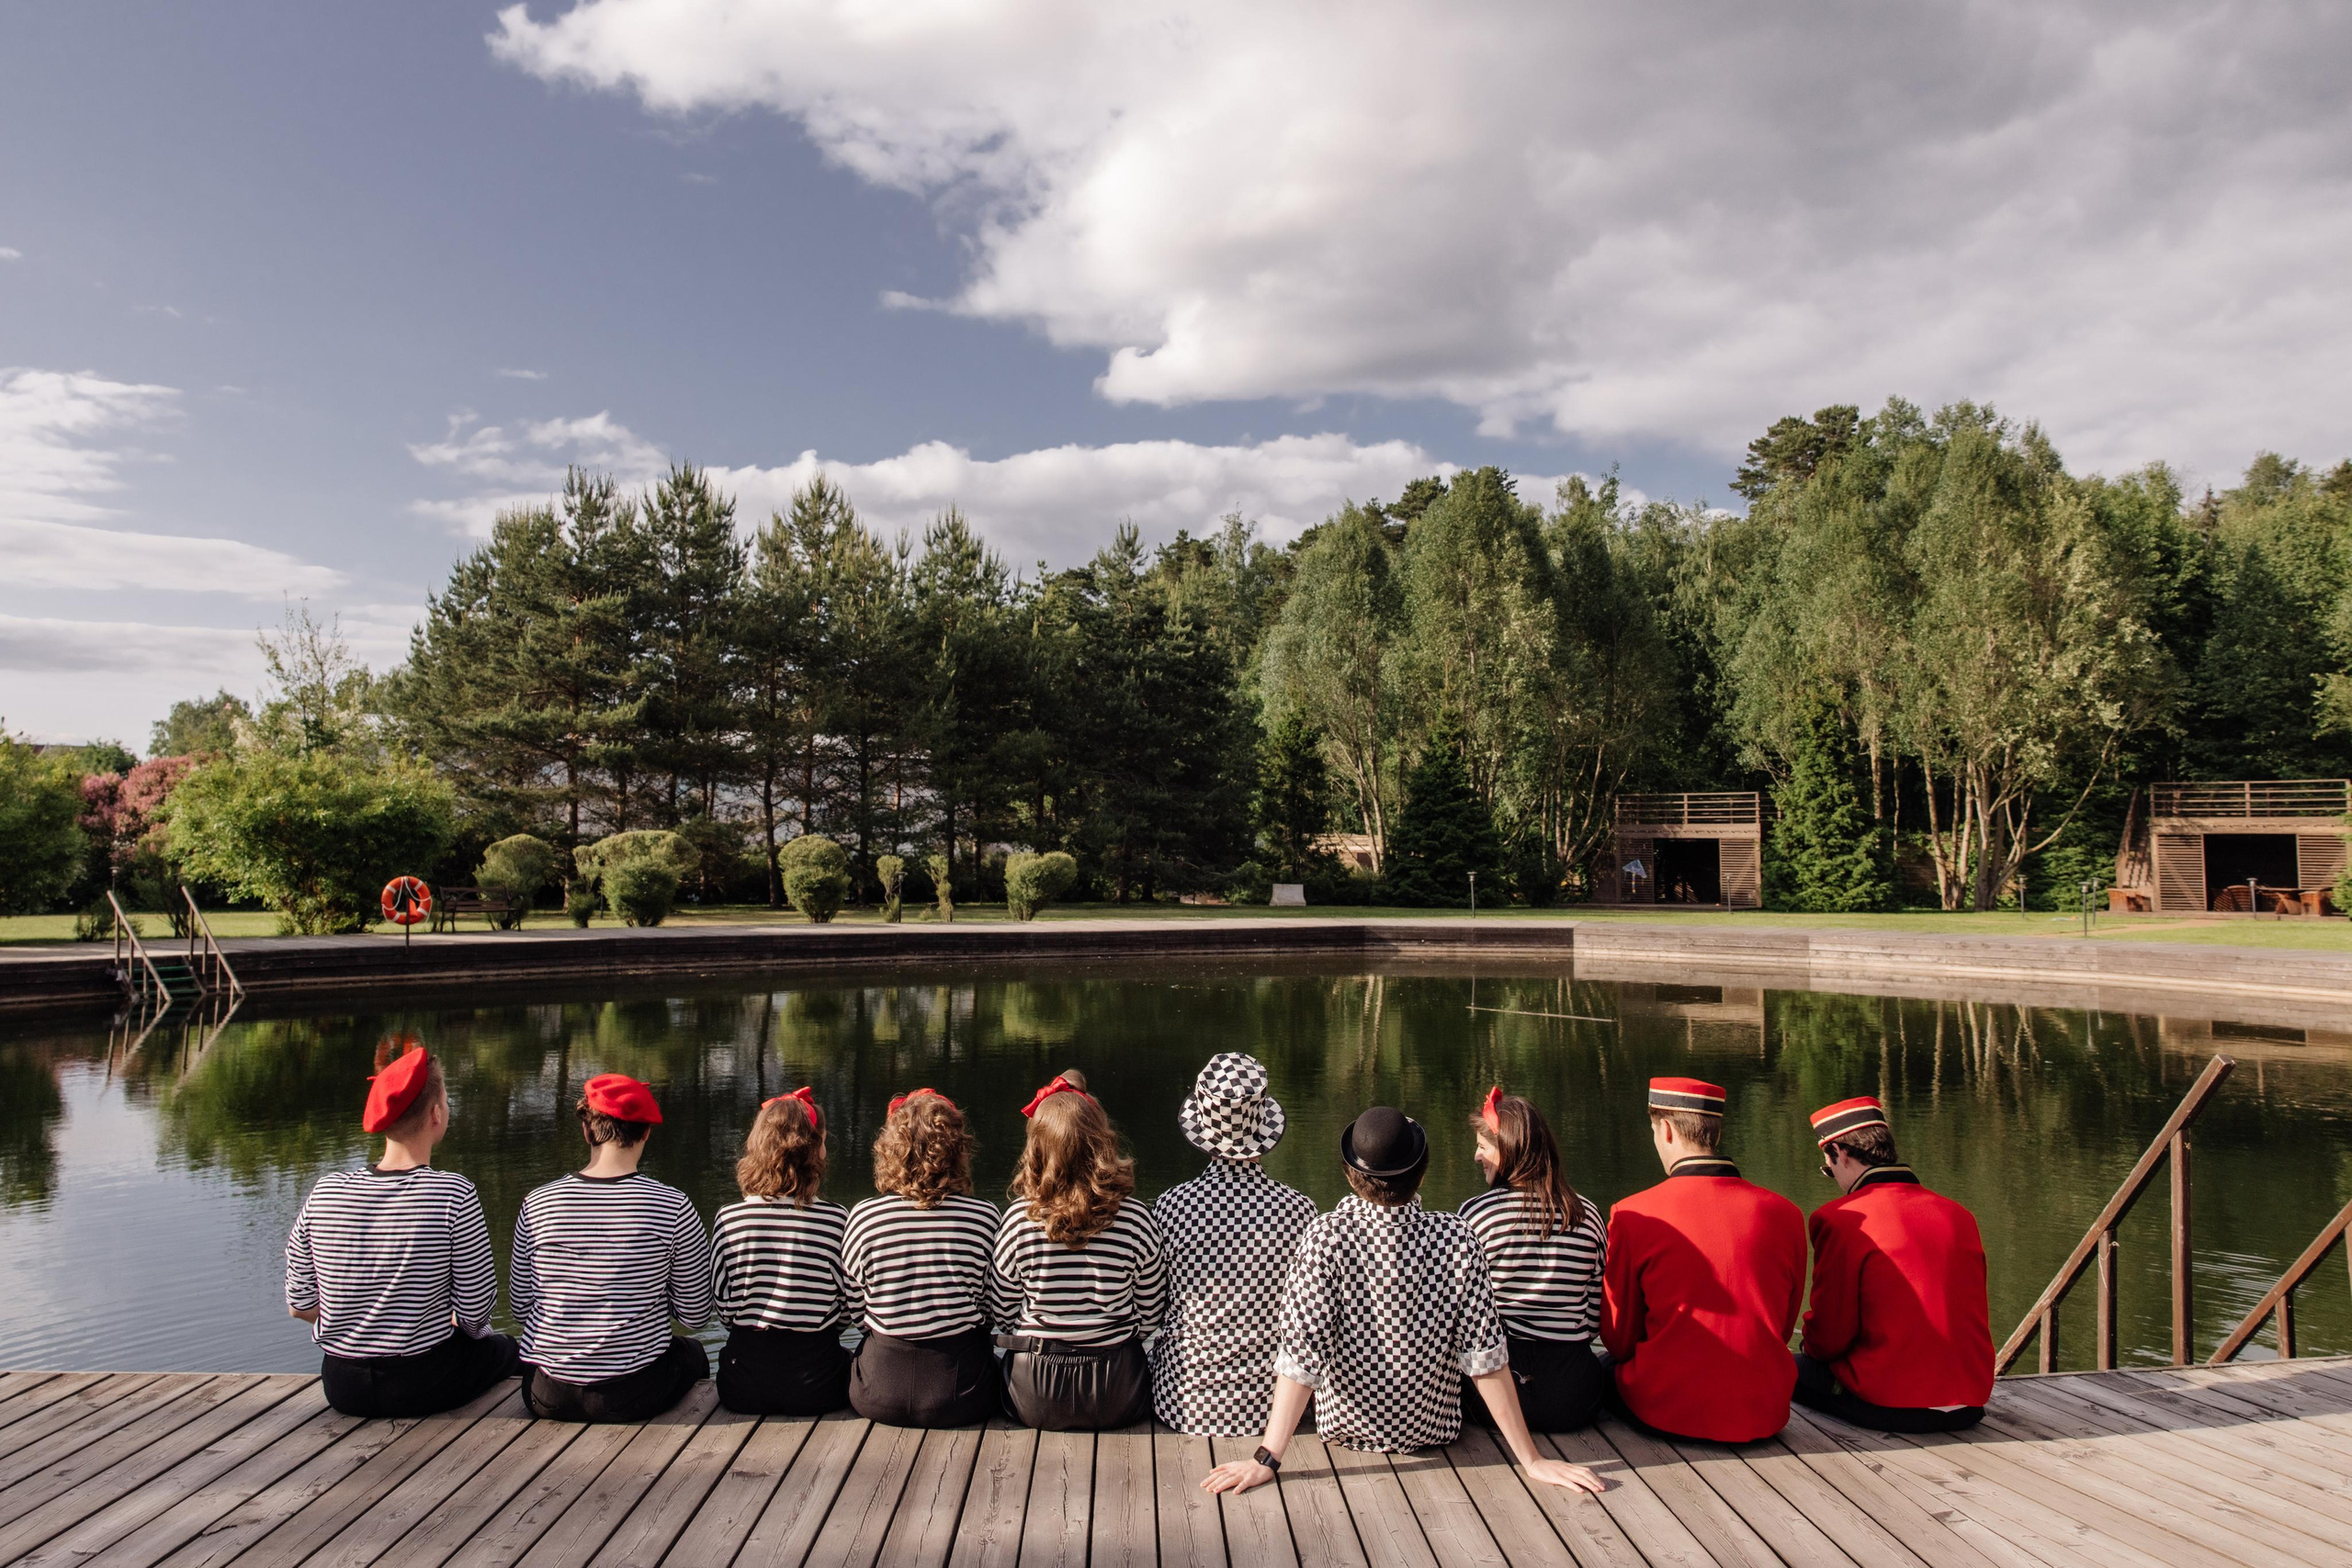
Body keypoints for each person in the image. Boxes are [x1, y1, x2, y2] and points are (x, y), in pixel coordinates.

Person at [1202, 1106, 1604, 1498]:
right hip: (1434, 1429)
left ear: (1350, 1174)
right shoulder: (1455, 1236)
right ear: (1423, 1172)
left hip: (1346, 1429)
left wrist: (1266, 1458)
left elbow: (1302, 1356)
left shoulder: (1327, 1237)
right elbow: (1484, 1358)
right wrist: (1531, 1460)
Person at [284, 1039, 520, 1417]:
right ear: (437, 1113)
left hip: (343, 1386)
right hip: (424, 1383)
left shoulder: (325, 1191)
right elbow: (475, 1316)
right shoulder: (453, 1193)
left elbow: (301, 1306)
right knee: (509, 1350)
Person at [1601, 1077, 1807, 1445]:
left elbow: (1618, 1338)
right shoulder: (1787, 1213)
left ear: (1665, 1130)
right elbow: (1781, 1325)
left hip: (1668, 1410)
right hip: (1765, 1412)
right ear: (1717, 1131)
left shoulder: (1632, 1212)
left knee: (1597, 1369)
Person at [512, 1072, 715, 1422]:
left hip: (547, 1394)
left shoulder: (536, 1203)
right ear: (646, 1132)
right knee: (693, 1353)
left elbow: (520, 1308)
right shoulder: (673, 1206)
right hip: (633, 1394)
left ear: (587, 1131)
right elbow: (696, 1316)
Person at [1794, 1097, 1993, 1432]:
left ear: (1839, 1153)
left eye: (1828, 1170)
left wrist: (1806, 1345)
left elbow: (1830, 1336)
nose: (1834, 1179)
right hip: (1969, 1403)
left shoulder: (1840, 1219)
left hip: (1892, 1404)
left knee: (1785, 1369)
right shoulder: (1960, 1214)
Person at [988, 1071, 1168, 1430]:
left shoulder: (1018, 1220)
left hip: (1035, 1393)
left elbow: (1003, 1312)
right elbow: (1151, 1313)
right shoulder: (1136, 1218)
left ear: (1036, 1149)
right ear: (1102, 1142)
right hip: (1116, 1390)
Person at [1149, 1053, 1317, 1435]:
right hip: (1271, 1408)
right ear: (1262, 1130)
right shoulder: (1301, 1210)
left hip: (1183, 1402)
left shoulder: (1170, 1206)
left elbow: (1155, 1304)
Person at [842, 1088, 1001, 1427]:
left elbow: (857, 1308)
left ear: (891, 1150)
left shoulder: (864, 1216)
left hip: (878, 1391)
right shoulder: (984, 1216)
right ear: (957, 1150)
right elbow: (992, 1309)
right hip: (963, 1392)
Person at [1460, 1087, 1609, 1431]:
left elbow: (1462, 1313)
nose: (1476, 1156)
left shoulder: (1478, 1214)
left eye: (1483, 1147)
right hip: (1573, 1399)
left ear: (1508, 1152)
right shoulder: (1587, 1214)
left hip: (1495, 1401)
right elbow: (1591, 1317)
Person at [709, 1088, 851, 1415]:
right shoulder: (836, 1219)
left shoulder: (729, 1219)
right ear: (816, 1149)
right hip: (818, 1384)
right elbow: (847, 1306)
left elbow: (724, 1307)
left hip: (742, 1387)